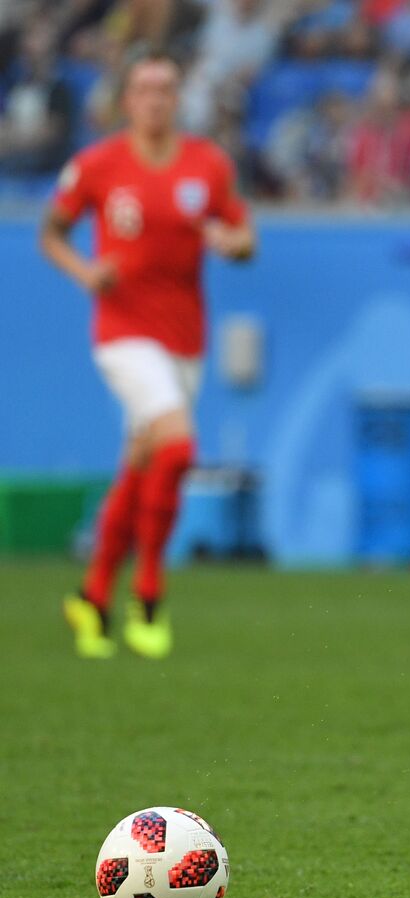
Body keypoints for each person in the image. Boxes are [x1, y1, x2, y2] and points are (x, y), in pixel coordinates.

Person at [43, 52, 255, 659]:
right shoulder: (98, 164)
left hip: (185, 338)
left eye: (165, 88)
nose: (155, 99)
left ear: (178, 97)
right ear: (127, 98)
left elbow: (245, 237)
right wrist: (87, 273)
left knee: (141, 465)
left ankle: (91, 596)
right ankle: (150, 593)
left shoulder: (206, 166)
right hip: (122, 333)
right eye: (144, 89)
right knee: (181, 444)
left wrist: (230, 241)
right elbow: (51, 232)